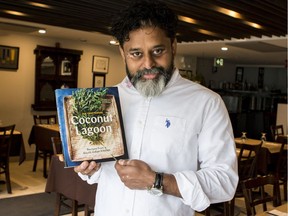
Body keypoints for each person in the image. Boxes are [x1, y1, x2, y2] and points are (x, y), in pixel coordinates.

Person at [74, 1, 238, 215]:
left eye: (157, 50)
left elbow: (224, 182)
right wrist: (90, 168)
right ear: (123, 54)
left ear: (173, 46)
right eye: (136, 54)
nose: (148, 64)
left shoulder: (206, 102)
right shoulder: (105, 101)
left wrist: (157, 180)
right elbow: (99, 174)